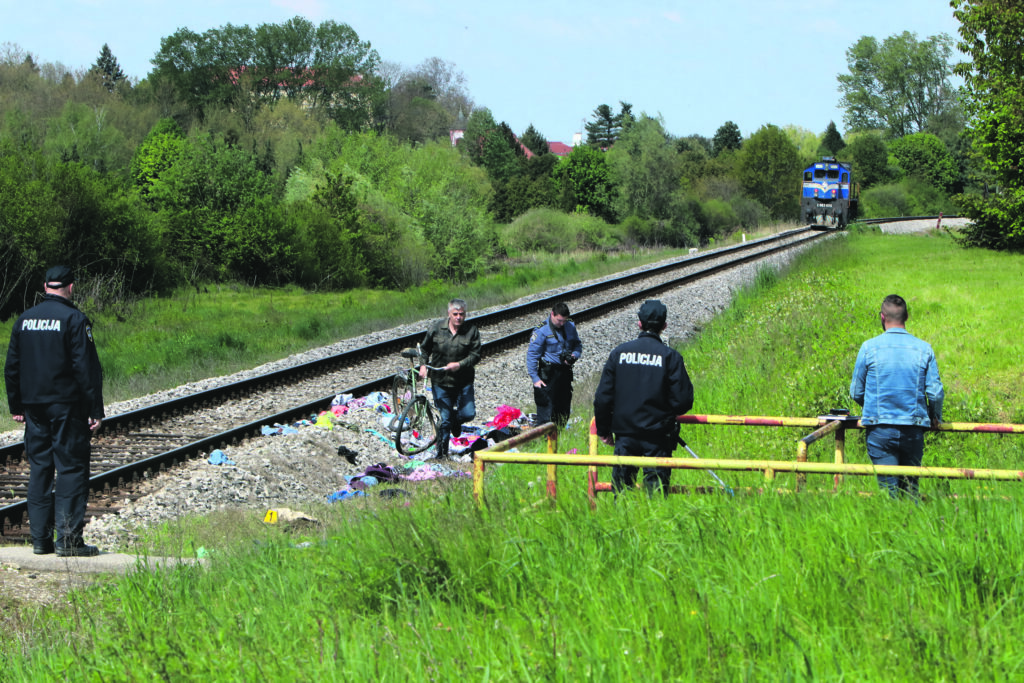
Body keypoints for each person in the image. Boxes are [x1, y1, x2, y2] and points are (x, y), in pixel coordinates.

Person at [4, 266, 105, 556]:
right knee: (71, 468)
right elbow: (86, 369)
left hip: (34, 408)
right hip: (67, 407)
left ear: (45, 286)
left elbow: (12, 367)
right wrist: (94, 409)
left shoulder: (24, 320)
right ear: (70, 287)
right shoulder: (74, 319)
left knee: (40, 468)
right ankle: (68, 541)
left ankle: (40, 540)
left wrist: (16, 405)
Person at [594, 300, 694, 496]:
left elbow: (602, 398)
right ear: (664, 326)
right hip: (658, 436)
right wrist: (664, 414)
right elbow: (683, 401)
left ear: (639, 323)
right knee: (655, 495)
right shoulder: (670, 357)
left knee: (621, 493)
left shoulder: (619, 353)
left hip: (625, 435)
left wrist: (604, 430)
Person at [850, 294, 944, 499]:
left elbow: (856, 391)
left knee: (888, 493)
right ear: (906, 317)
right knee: (910, 490)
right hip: (913, 429)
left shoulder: (868, 348)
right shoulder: (924, 349)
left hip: (880, 430)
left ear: (882, 317)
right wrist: (934, 416)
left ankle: (891, 516)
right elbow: (935, 393)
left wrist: (873, 406)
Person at [419, 298, 482, 458]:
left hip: (463, 381)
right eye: (455, 314)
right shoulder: (436, 328)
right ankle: (442, 455)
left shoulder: (471, 331)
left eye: (462, 314)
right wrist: (423, 365)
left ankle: (456, 420)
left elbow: (476, 355)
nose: (458, 317)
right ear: (449, 314)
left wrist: (459, 365)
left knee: (468, 414)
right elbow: (424, 349)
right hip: (441, 381)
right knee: (444, 420)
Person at [526, 302, 582, 427]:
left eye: (564, 321)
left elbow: (577, 345)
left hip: (565, 372)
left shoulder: (570, 326)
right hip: (549, 373)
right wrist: (535, 379)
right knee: (546, 410)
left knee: (563, 409)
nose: (562, 324)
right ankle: (545, 436)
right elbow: (532, 355)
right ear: (552, 314)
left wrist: (574, 355)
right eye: (559, 320)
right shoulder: (542, 330)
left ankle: (560, 433)